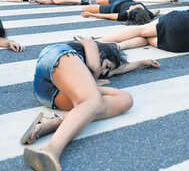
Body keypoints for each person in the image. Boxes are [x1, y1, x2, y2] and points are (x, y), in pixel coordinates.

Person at [20, 36, 159, 171]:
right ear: (102, 53)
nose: (104, 72)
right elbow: (94, 65)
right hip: (57, 57)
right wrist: (96, 77)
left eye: (107, 71)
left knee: (125, 99)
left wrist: (140, 63)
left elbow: (116, 70)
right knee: (93, 102)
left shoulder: (98, 70)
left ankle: (51, 123)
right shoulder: (91, 45)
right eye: (107, 66)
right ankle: (51, 150)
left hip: (49, 94)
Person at [96, 0, 189, 52]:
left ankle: (99, 41)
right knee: (147, 39)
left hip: (184, 21)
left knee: (142, 30)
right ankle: (117, 47)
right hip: (184, 43)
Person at [81, 0, 160, 25]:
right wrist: (156, 11)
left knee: (84, 9)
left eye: (128, 12)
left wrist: (90, 14)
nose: (127, 10)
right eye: (130, 10)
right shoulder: (148, 14)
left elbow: (107, 16)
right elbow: (154, 13)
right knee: (98, 1)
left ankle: (102, 5)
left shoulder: (125, 15)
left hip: (114, 7)